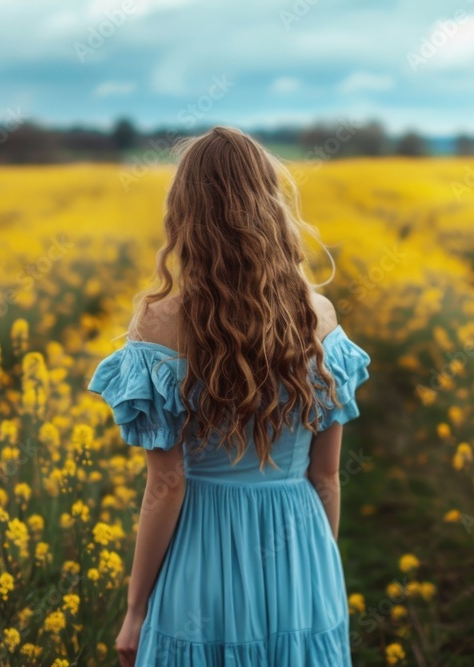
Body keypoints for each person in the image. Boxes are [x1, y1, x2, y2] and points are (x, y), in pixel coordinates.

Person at [87, 126, 372, 666]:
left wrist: (135, 610)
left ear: (184, 214)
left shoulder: (158, 324)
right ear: (269, 207)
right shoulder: (319, 317)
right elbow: (326, 476)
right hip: (299, 548)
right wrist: (319, 570)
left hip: (205, 553)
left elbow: (166, 485)